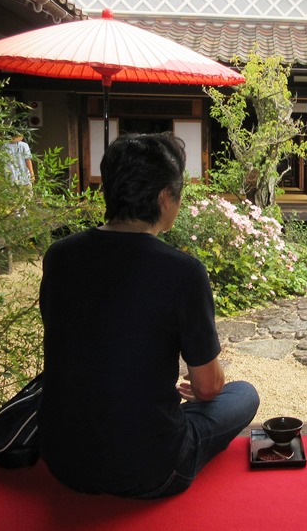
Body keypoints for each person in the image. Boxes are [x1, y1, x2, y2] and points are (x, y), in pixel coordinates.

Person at [39, 132, 259, 498]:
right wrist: (201, 389)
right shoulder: (182, 272)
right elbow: (208, 388)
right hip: (153, 468)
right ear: (165, 198)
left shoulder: (60, 256)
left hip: (64, 460)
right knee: (244, 394)